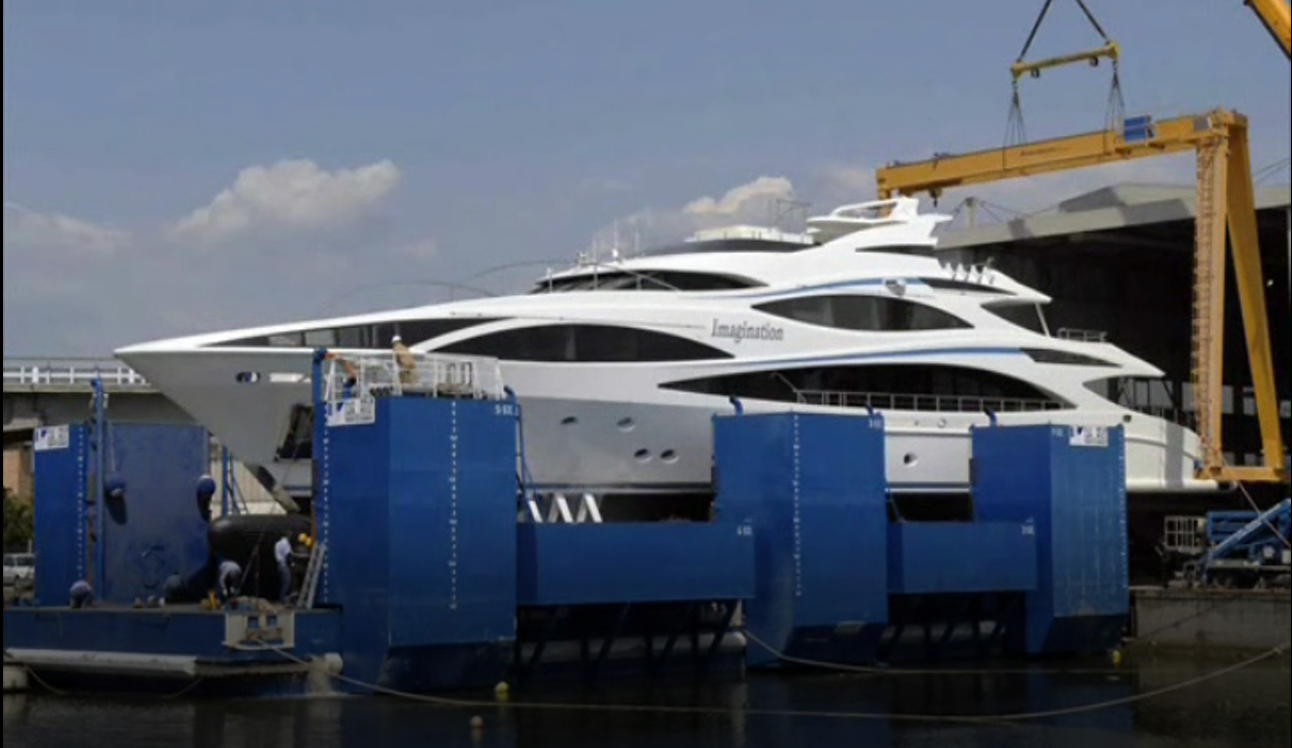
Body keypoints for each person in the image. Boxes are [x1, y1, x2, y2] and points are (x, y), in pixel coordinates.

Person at [274, 534, 293, 603]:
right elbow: (288, 555)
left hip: (279, 565)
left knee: (283, 583)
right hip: (284, 565)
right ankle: (283, 600)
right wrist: (292, 563)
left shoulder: (277, 544)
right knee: (287, 582)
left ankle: (282, 598)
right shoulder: (286, 543)